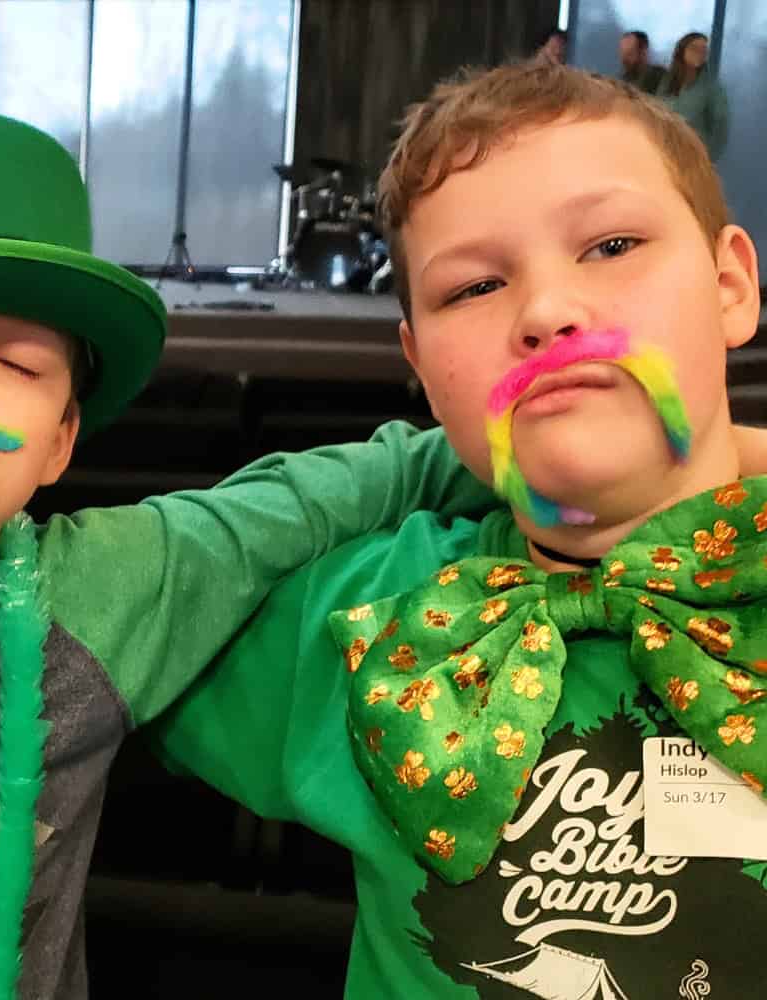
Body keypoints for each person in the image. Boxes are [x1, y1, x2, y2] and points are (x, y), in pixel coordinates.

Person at [0, 106, 502, 998]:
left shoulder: (109, 589)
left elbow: (377, 476)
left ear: (60, 441)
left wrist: (683, 455)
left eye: (19, 366)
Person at [154, 61, 767, 999]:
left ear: (731, 286)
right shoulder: (355, 618)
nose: (548, 311)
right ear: (421, 365)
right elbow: (53, 641)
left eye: (610, 244)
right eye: (474, 287)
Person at [658, 31, 729, 161]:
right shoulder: (667, 82)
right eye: (695, 48)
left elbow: (721, 127)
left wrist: (707, 158)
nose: (700, 53)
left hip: (693, 159)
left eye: (703, 50)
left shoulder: (711, 87)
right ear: (682, 50)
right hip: (664, 154)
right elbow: (655, 113)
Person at [619, 29, 666, 95]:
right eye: (622, 53)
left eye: (630, 53)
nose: (625, 59)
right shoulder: (621, 81)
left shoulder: (660, 77)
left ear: (643, 51)